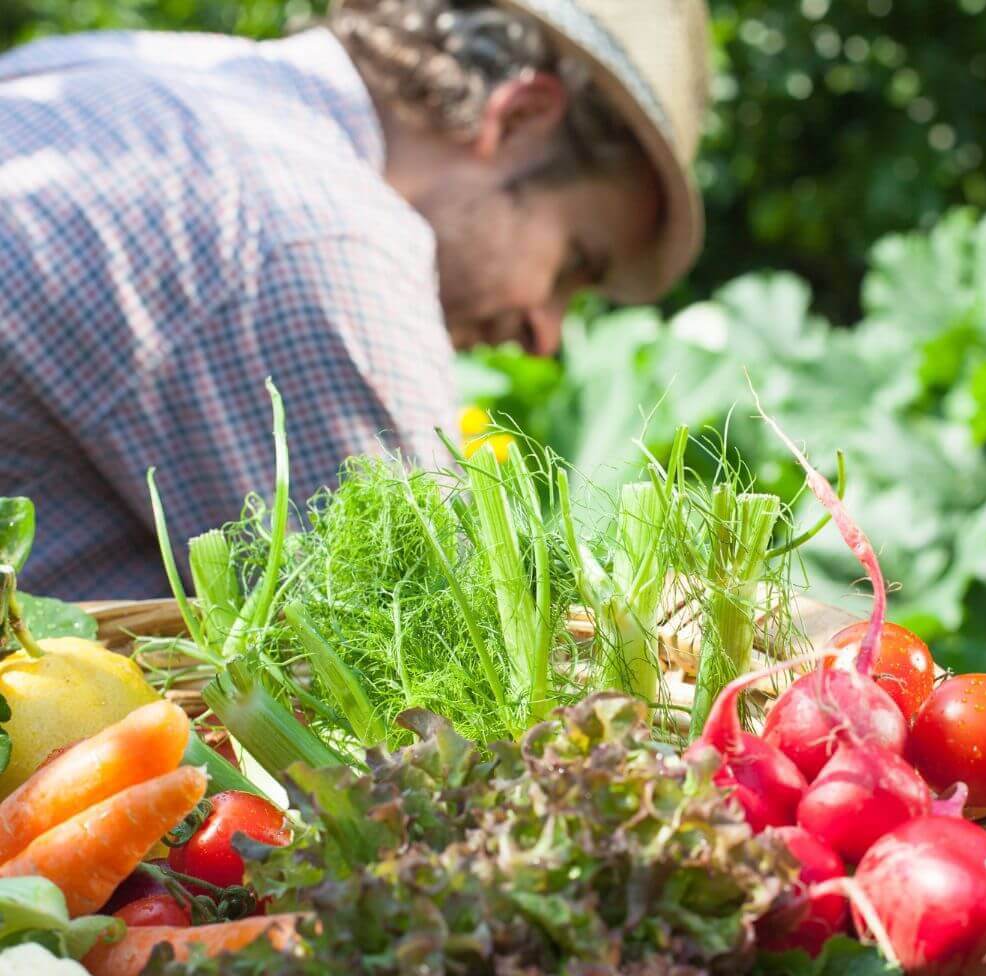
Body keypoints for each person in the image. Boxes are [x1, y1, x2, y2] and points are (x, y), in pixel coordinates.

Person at [0, 0, 710, 599]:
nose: (545, 334)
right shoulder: (318, 234)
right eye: (572, 266)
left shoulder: (123, 70)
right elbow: (443, 680)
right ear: (520, 116)